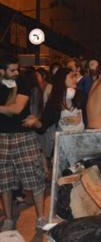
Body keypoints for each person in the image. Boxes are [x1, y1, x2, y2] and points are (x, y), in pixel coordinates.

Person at [0, 55, 46, 230]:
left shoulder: (23, 81)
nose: (16, 73)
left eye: (17, 69)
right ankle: (9, 218)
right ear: (1, 71)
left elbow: (17, 109)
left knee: (34, 177)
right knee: (4, 181)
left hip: (23, 136)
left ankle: (41, 217)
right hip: (2, 137)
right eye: (12, 70)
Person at [23, 68, 86, 133]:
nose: (75, 79)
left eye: (75, 76)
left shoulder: (81, 96)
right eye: (71, 77)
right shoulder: (54, 101)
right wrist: (36, 122)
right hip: (63, 140)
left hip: (81, 138)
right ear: (62, 79)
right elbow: (44, 125)